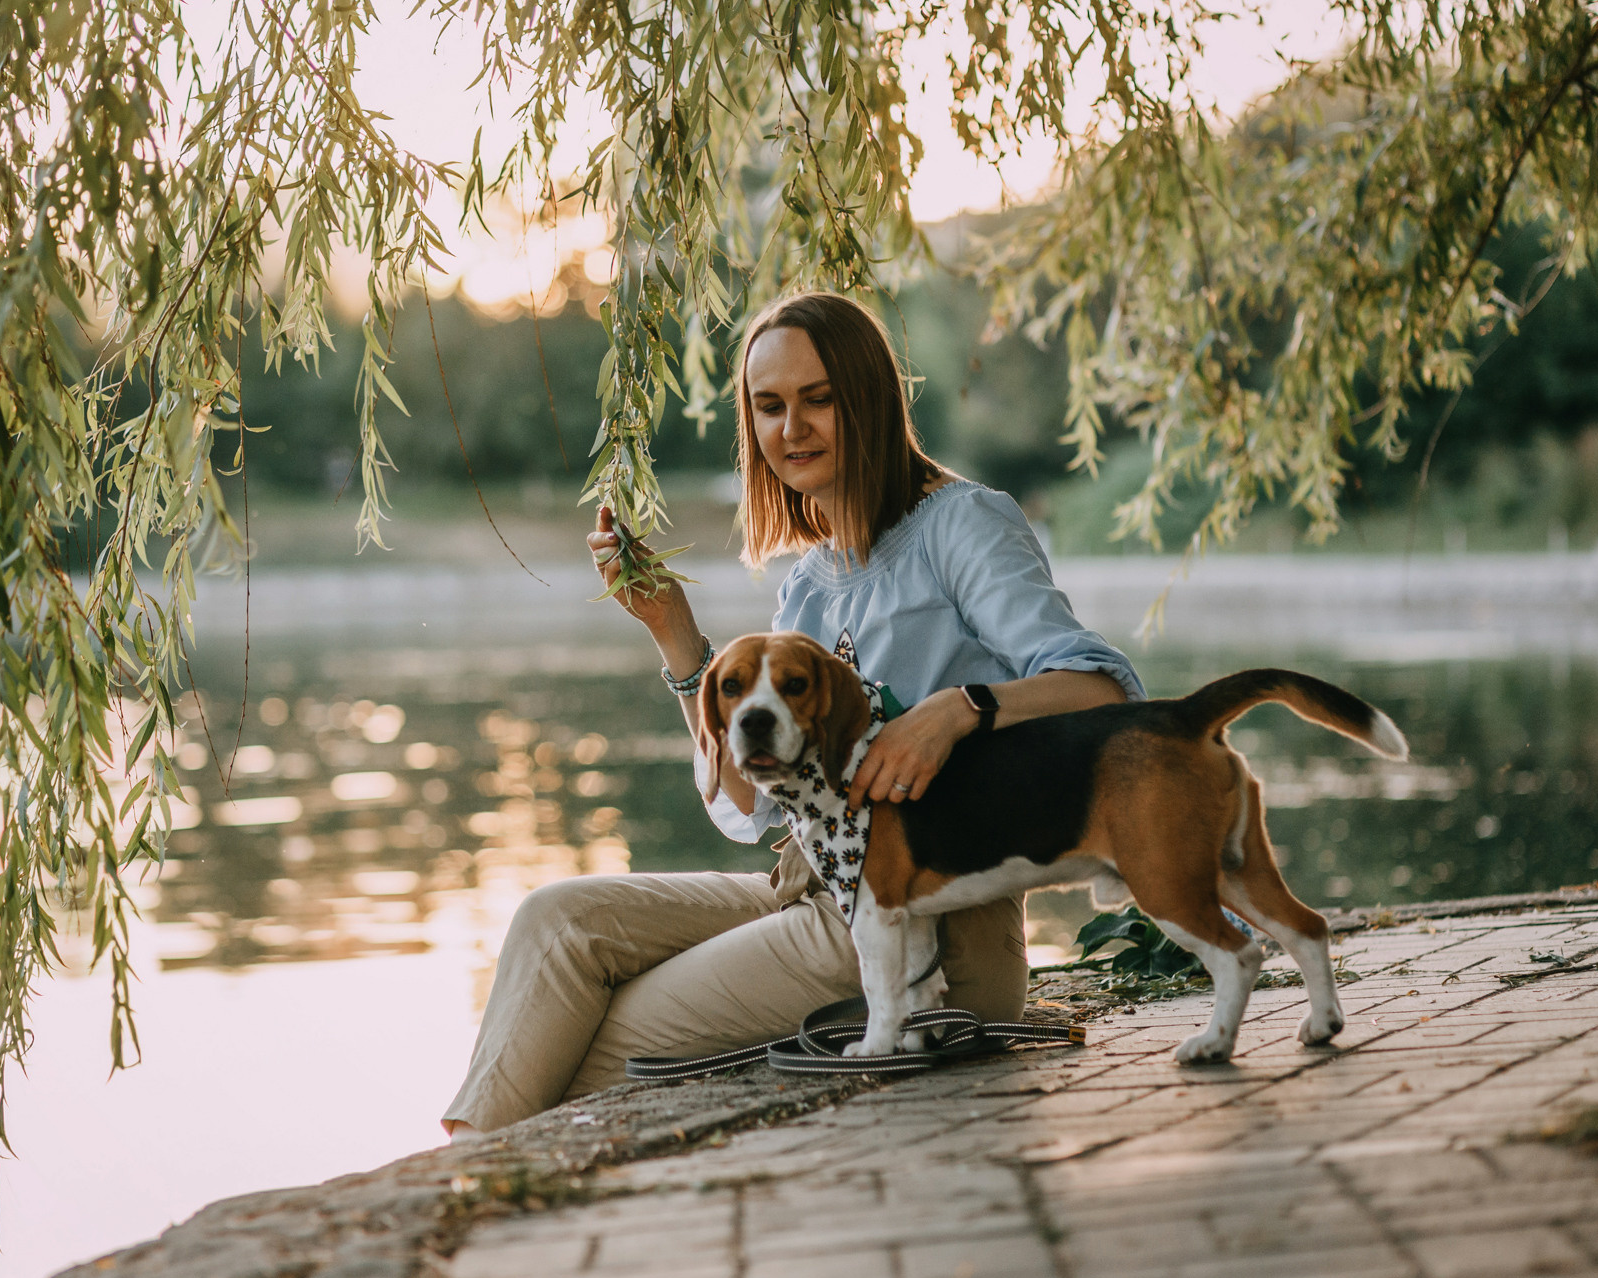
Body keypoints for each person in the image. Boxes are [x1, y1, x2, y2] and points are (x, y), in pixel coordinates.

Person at [441, 291, 1141, 1138]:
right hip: (811, 890)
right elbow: (752, 812)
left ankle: (472, 1181)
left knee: (597, 1036)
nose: (792, 428)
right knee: (558, 923)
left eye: (818, 399)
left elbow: (1102, 690)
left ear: (869, 400)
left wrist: (960, 710)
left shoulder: (960, 527)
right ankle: (468, 1162)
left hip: (920, 919)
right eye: (769, 406)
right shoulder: (806, 585)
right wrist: (675, 633)